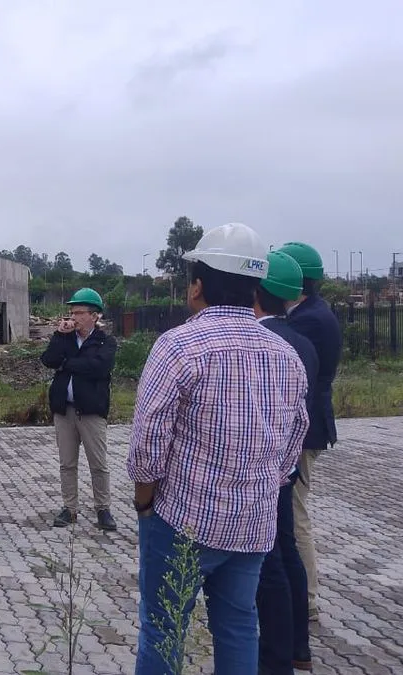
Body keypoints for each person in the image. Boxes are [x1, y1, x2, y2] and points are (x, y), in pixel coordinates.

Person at [127, 223, 309, 674]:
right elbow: (292, 445)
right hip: (252, 525)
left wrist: (145, 504)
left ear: (197, 286)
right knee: (239, 624)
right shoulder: (285, 354)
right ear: (255, 287)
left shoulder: (178, 346)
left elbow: (148, 443)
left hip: (182, 522)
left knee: (164, 629)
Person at [253, 252, 317, 673]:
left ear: (255, 292)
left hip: (264, 468)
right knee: (287, 549)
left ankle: (275, 658)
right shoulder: (301, 340)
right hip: (287, 462)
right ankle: (298, 646)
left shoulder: (265, 343)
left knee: (269, 560)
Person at [277, 240, 342, 622]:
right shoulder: (313, 312)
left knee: (294, 513)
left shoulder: (307, 321)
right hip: (309, 424)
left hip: (303, 428)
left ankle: (306, 599)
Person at [40, 288, 118, 531]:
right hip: (65, 410)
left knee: (98, 463)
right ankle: (69, 508)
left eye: (80, 313)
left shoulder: (105, 341)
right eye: (72, 312)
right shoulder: (65, 338)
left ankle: (103, 508)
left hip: (92, 411)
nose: (74, 317)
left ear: (94, 315)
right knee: (67, 463)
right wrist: (58, 335)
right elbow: (49, 360)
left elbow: (98, 367)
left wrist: (67, 364)